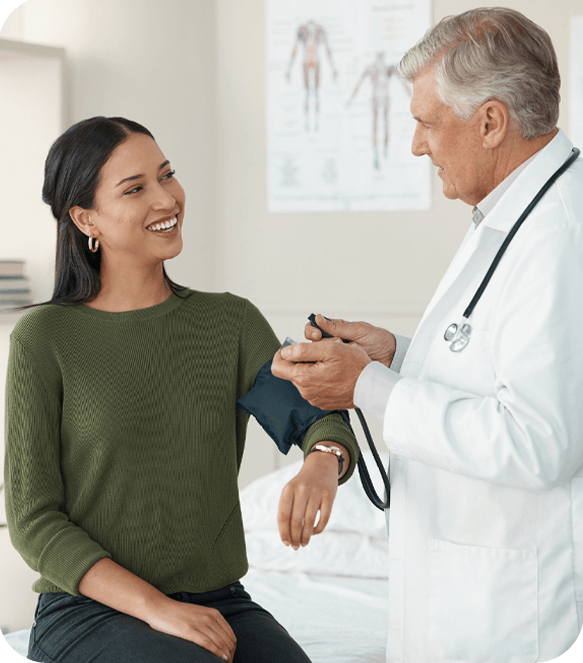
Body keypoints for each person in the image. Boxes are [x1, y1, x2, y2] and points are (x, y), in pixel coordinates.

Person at [273, 8, 583, 662]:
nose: (415, 145)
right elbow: (495, 370)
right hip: (462, 594)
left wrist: (370, 387)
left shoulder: (560, 235)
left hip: (509, 615)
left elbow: (537, 441)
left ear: (490, 121)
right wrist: (395, 355)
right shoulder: (510, 214)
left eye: (425, 122)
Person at [3, 116, 359, 663]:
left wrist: (323, 461)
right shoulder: (44, 337)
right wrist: (154, 607)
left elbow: (313, 417)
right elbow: (33, 521)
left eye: (167, 176)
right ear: (84, 218)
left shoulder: (229, 323)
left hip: (219, 600)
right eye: (136, 188)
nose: (167, 198)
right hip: (87, 609)